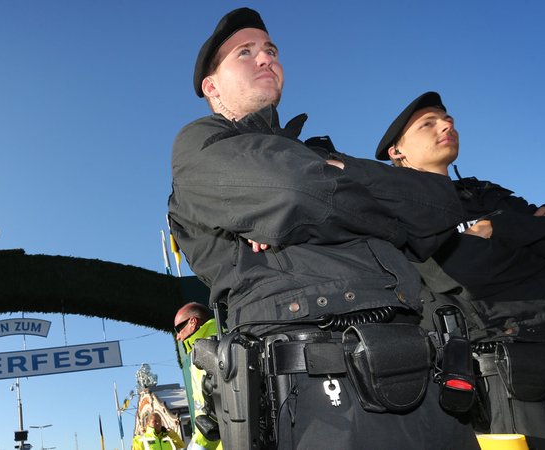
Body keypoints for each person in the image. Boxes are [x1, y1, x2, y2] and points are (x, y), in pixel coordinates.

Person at [168, 7, 480, 450]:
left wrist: (324, 185)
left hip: (424, 376)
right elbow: (295, 190)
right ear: (212, 86)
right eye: (245, 52)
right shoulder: (200, 146)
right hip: (316, 395)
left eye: (271, 49)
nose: (265, 58)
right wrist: (387, 218)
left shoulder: (316, 153)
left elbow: (436, 206)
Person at [376, 91, 545, 447]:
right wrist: (528, 241)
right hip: (505, 371)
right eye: (428, 124)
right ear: (397, 152)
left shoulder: (486, 193)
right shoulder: (397, 210)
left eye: (448, 120)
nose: (446, 125)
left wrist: (499, 228)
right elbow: (463, 272)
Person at [174, 303, 221, 450]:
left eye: (178, 329)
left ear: (193, 322)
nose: (178, 336)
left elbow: (211, 410)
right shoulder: (223, 339)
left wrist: (200, 445)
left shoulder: (204, 351)